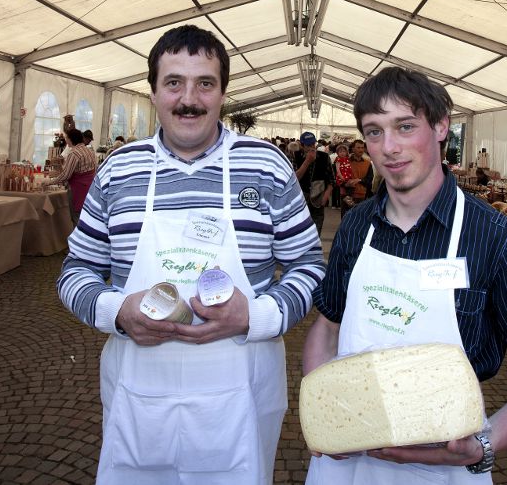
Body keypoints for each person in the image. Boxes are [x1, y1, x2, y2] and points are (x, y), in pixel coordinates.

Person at [57, 24, 325, 485]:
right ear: (154, 92)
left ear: (223, 93)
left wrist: (257, 316)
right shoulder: (119, 170)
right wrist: (117, 309)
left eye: (205, 83)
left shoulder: (265, 165)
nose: (189, 98)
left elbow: (310, 266)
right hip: (140, 384)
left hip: (240, 383)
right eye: (174, 82)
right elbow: (75, 270)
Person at [303, 66, 507, 483]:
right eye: (374, 132)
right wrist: (323, 413)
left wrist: (485, 443)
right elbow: (327, 326)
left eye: (405, 126)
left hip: (445, 469)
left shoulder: (495, 238)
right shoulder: (357, 226)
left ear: (441, 126)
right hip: (346, 463)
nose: (389, 147)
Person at [44, 127, 98, 217]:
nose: (66, 140)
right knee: (86, 217)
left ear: (71, 139)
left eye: (66, 138)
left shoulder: (74, 153)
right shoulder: (89, 151)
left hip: (79, 189)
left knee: (76, 217)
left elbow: (66, 175)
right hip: (90, 188)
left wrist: (49, 182)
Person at [293, 131, 334, 233]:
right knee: (300, 231)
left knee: (316, 232)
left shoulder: (324, 157)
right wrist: (307, 161)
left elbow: (332, 180)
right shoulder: (296, 156)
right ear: (302, 145)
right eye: (308, 145)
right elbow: (294, 179)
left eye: (313, 144)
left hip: (318, 197)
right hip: (301, 199)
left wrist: (326, 196)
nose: (312, 147)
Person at [342, 138, 373, 212]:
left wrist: (359, 180)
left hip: (362, 196)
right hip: (347, 196)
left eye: (362, 148)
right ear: (353, 149)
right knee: (346, 219)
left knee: (360, 220)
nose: (361, 150)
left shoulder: (367, 163)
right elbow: (339, 178)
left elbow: (369, 180)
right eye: (358, 147)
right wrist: (346, 183)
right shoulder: (345, 162)